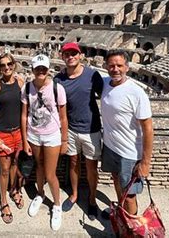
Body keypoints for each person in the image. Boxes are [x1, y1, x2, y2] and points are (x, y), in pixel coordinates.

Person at [101, 49, 154, 216]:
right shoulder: (105, 84)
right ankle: (121, 213)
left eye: (119, 65)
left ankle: (131, 227)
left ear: (127, 67)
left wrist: (145, 162)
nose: (115, 69)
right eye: (111, 66)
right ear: (106, 67)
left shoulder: (136, 92)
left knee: (130, 194)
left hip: (130, 153)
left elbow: (148, 128)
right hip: (110, 147)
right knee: (116, 180)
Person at [55, 42, 103, 219]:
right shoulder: (58, 79)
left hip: (91, 129)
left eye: (74, 53)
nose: (71, 57)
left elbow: (106, 95)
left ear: (80, 55)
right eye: (67, 54)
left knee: (91, 167)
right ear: (62, 56)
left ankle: (91, 199)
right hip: (71, 129)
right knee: (73, 163)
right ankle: (74, 194)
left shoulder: (92, 75)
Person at [21, 54, 68, 231]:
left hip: (52, 136)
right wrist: (25, 140)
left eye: (44, 68)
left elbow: (63, 117)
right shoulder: (26, 88)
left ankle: (56, 205)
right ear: (32, 70)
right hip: (34, 135)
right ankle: (40, 194)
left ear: (48, 70)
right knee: (39, 168)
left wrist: (64, 139)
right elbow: (24, 115)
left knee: (50, 174)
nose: (41, 71)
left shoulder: (57, 88)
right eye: (37, 68)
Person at [0, 53, 25, 224]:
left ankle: (14, 190)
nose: (6, 67)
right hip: (2, 133)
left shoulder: (20, 83)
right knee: (4, 170)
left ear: (14, 64)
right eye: (2, 65)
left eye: (9, 64)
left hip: (18, 132)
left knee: (15, 165)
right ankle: (4, 202)